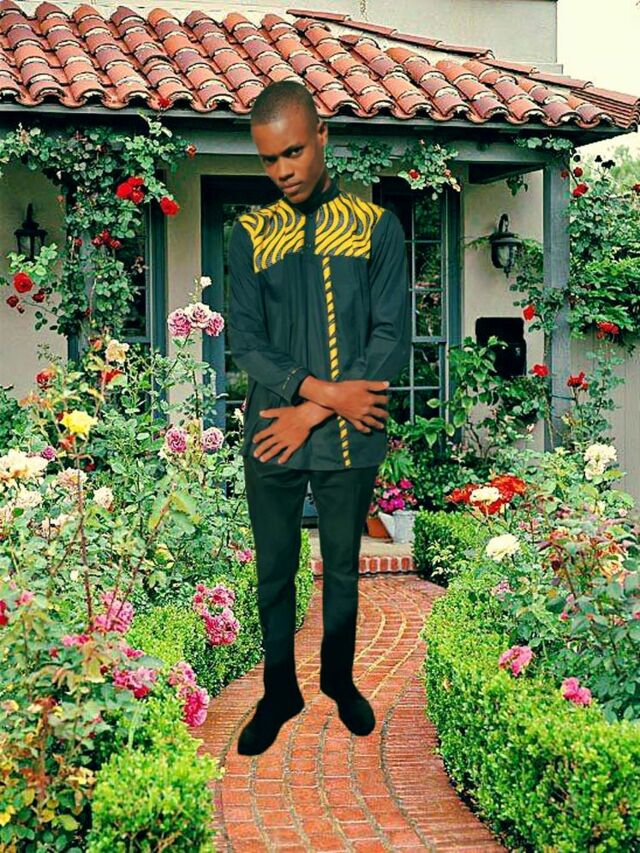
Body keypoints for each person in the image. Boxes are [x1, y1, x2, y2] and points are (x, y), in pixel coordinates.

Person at [228, 80, 410, 756]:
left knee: (342, 567)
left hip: (352, 435)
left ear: (322, 137)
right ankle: (280, 689)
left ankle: (338, 677)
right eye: (269, 159)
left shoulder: (376, 228)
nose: (284, 170)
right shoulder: (249, 234)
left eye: (295, 151)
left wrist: (314, 410)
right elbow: (246, 342)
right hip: (274, 433)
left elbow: (389, 337)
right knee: (274, 570)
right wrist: (315, 404)